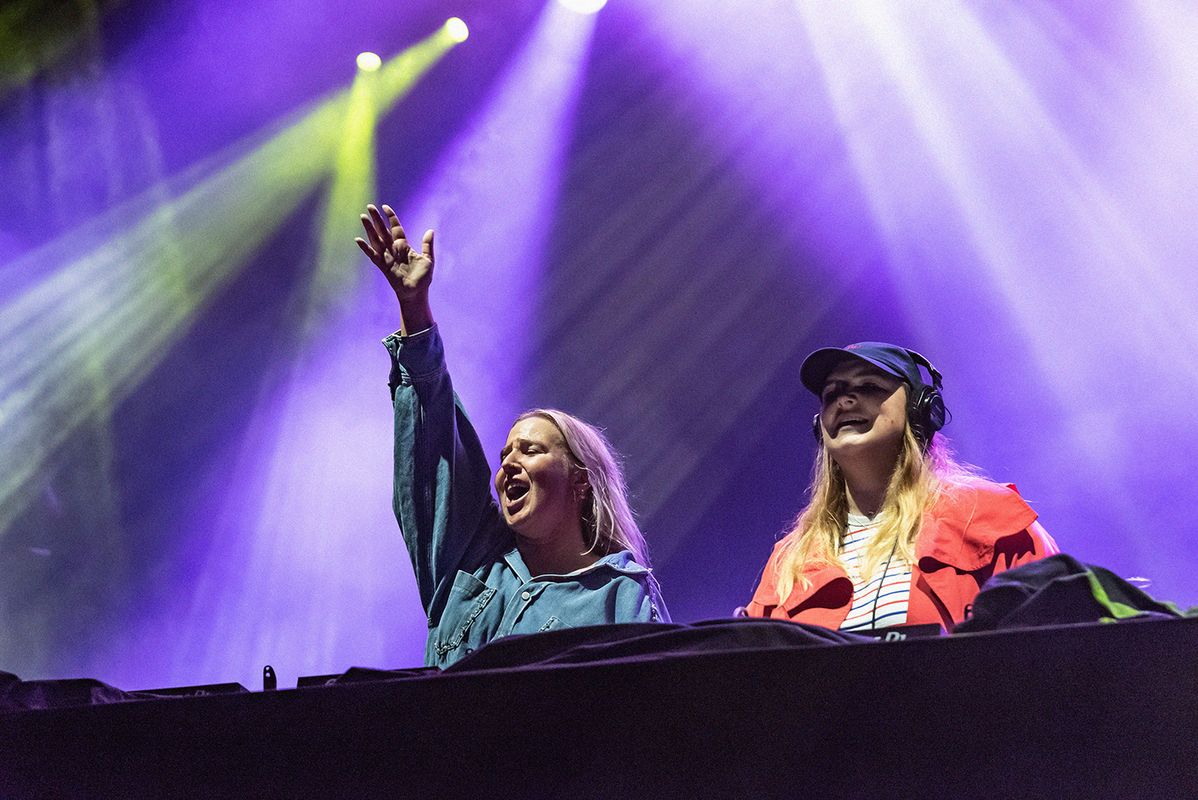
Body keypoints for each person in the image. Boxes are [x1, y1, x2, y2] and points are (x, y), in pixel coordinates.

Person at [356, 204, 668, 667]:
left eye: (531, 450)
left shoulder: (621, 597)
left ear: (581, 480)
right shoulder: (468, 560)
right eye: (504, 455)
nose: (507, 465)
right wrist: (414, 308)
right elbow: (435, 444)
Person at [746, 342, 1057, 631]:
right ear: (820, 426)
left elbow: (1055, 637)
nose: (844, 401)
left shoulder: (987, 517)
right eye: (831, 394)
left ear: (920, 411)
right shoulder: (789, 560)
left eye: (869, 387)